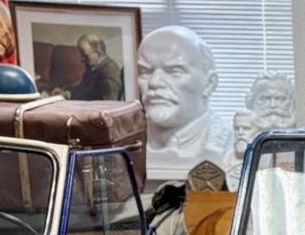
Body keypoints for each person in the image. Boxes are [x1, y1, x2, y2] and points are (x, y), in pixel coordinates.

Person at [137, 25, 233, 177]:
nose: (154, 82)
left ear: (209, 84)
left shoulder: (231, 146)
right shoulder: (128, 145)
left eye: (174, 71)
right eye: (146, 71)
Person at [73, 34, 124, 101]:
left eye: (85, 55)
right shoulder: (93, 67)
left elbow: (109, 103)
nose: (81, 59)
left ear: (98, 52)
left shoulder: (109, 72)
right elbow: (82, 90)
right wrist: (67, 93)